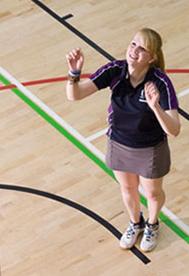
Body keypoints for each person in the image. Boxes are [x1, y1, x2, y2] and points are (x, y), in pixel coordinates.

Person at [65, 29, 180, 252]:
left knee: (153, 193)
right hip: (119, 143)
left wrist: (155, 106)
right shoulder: (115, 70)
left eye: (142, 48)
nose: (134, 51)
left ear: (152, 57)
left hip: (150, 148)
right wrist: (73, 73)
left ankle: (153, 224)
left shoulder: (160, 83)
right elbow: (75, 95)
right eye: (133, 44)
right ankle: (135, 223)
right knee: (128, 189)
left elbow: (174, 130)